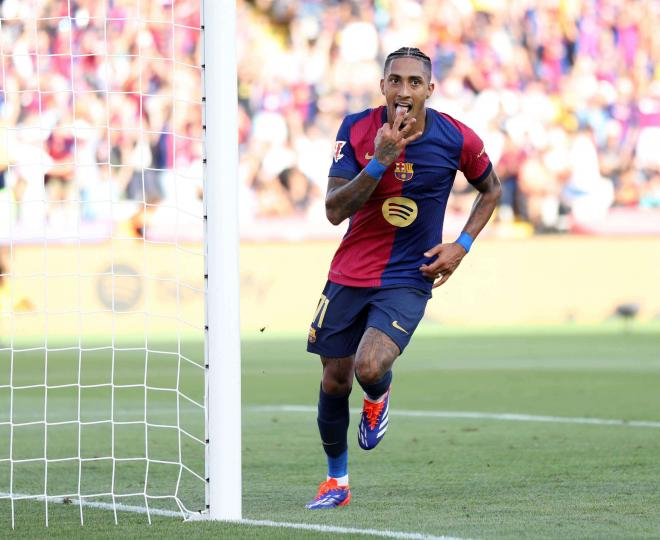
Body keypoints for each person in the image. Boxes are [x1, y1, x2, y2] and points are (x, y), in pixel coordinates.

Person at [304, 47, 502, 509]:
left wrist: (462, 245)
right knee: (335, 379)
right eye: (396, 80)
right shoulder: (356, 129)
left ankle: (379, 393)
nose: (404, 90)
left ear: (430, 90)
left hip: (409, 277)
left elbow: (492, 190)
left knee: (368, 366)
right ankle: (337, 482)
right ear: (383, 86)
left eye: (415, 82)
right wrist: (380, 160)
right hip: (349, 274)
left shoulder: (455, 138)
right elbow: (334, 211)